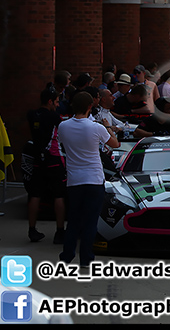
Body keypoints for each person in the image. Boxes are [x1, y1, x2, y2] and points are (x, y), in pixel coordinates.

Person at [57, 91, 120, 268]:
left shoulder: (63, 126)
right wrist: (108, 127)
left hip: (74, 180)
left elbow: (63, 143)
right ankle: (86, 258)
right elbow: (115, 144)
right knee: (91, 221)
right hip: (94, 179)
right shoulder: (96, 127)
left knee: (74, 220)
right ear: (89, 107)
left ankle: (67, 256)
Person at [25, 85, 67, 243]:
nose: (57, 105)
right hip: (53, 159)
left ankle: (31, 229)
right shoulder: (55, 117)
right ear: (49, 101)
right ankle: (60, 231)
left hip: (37, 158)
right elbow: (62, 134)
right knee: (59, 195)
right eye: (56, 102)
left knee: (35, 194)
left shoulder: (31, 114)